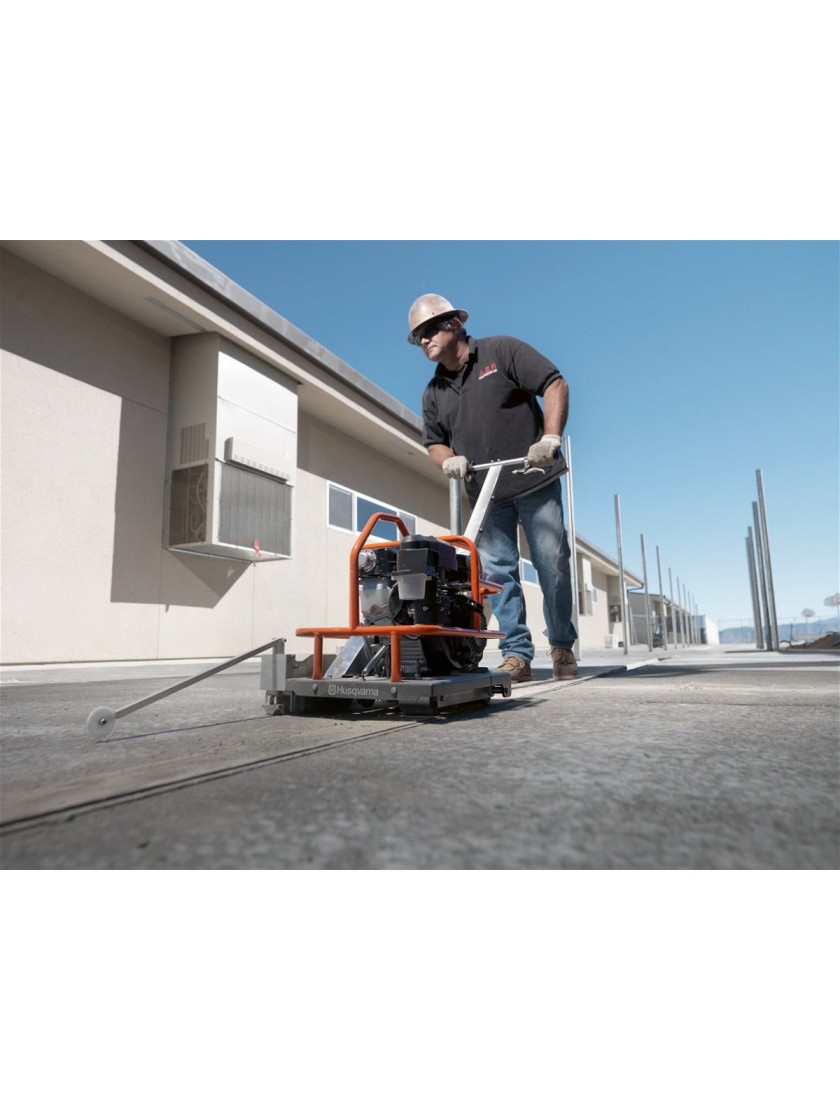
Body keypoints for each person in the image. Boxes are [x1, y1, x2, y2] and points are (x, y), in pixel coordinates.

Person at [408, 293, 578, 682]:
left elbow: (554, 384)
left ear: (453, 324)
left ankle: (561, 646)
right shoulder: (433, 392)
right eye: (417, 337)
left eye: (428, 331)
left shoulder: (501, 351)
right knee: (498, 575)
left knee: (551, 564)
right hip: (487, 495)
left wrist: (550, 437)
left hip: (534, 479)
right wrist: (447, 459)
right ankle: (516, 654)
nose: (423, 340)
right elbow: (434, 443)